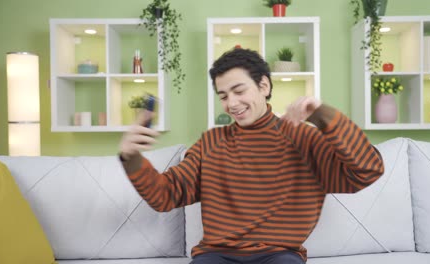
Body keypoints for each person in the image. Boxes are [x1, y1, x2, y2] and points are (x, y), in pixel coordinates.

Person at [119, 48, 384, 264]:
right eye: (223, 96)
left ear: (264, 85)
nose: (231, 103)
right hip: (215, 255)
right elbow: (165, 196)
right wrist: (131, 157)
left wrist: (322, 115)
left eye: (239, 90)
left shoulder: (303, 138)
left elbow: (368, 170)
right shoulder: (211, 143)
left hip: (280, 255)